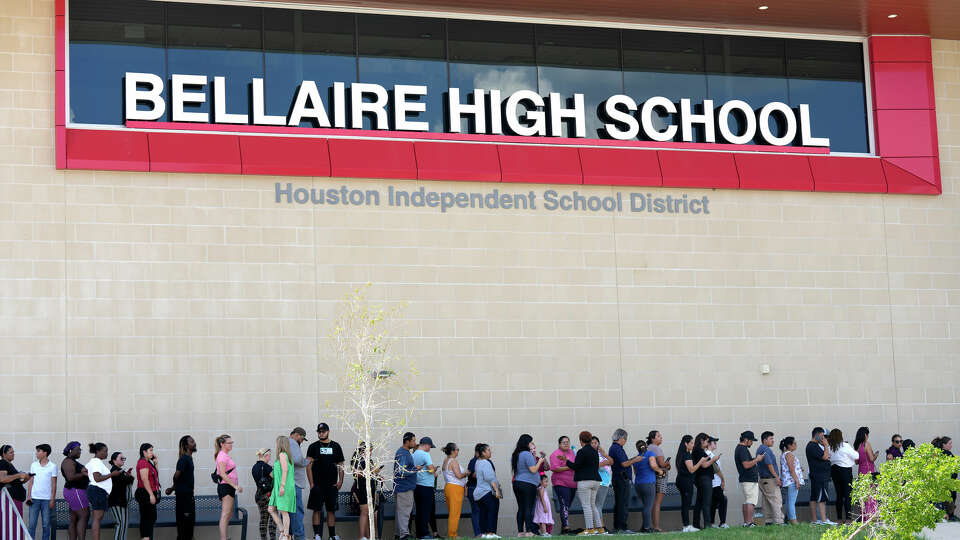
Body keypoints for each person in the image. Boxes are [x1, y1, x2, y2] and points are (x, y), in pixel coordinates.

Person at [306, 423, 344, 540]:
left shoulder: (336, 446)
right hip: (317, 485)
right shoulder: (313, 447)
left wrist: (340, 481)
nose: (321, 433)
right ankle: (317, 535)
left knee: (331, 510)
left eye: (323, 431)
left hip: (332, 485)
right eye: (319, 431)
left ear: (328, 431)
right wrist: (311, 484)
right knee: (316, 510)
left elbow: (341, 465)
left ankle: (332, 535)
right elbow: (308, 466)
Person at [563, 431, 602, 536]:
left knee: (586, 506)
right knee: (593, 505)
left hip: (585, 481)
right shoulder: (594, 451)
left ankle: (589, 529)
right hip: (596, 480)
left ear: (581, 440)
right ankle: (599, 528)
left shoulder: (582, 451)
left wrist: (566, 461)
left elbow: (575, 466)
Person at [511, 434, 546, 537]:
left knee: (521, 508)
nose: (531, 444)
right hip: (528, 484)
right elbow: (533, 469)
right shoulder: (526, 454)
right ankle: (529, 531)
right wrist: (540, 461)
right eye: (530, 442)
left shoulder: (516, 454)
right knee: (528, 507)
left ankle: (520, 532)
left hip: (517, 483)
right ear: (526, 443)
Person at [87, 442, 123, 540]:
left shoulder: (93, 461)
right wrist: (112, 474)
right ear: (98, 451)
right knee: (97, 519)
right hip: (98, 491)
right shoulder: (96, 462)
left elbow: (84, 470)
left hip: (96, 491)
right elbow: (97, 478)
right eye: (105, 451)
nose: (107, 454)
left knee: (96, 519)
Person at [608, 429, 641, 534]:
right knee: (623, 504)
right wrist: (635, 460)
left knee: (619, 503)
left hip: (618, 479)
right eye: (625, 439)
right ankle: (622, 527)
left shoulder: (614, 448)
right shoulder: (617, 448)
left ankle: (617, 527)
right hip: (621, 479)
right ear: (621, 438)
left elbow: (624, 462)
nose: (625, 441)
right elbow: (624, 464)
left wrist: (634, 458)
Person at [165, 435, 197, 540]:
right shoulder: (184, 459)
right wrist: (174, 487)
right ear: (186, 445)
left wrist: (172, 488)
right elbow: (176, 475)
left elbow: (181, 477)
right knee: (184, 527)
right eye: (192, 441)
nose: (194, 442)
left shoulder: (188, 458)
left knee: (189, 527)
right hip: (184, 499)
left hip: (188, 497)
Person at [27, 444, 58, 540]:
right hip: (34, 499)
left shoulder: (53, 466)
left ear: (45, 453)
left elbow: (54, 484)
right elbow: (31, 481)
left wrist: (52, 499)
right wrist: (29, 496)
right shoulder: (33, 465)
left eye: (38, 451)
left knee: (46, 525)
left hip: (47, 500)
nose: (36, 453)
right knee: (32, 525)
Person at [215, 434, 243, 540]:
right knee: (225, 514)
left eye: (232, 442)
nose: (231, 444)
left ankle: (225, 537)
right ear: (222, 444)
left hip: (229, 487)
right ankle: (223, 538)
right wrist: (235, 486)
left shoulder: (225, 455)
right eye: (229, 443)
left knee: (229, 513)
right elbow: (222, 474)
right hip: (225, 487)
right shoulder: (222, 455)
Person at [734, 431, 764, 528]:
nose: (752, 443)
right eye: (751, 441)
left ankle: (747, 523)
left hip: (746, 479)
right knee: (751, 501)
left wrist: (755, 458)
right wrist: (757, 459)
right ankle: (749, 522)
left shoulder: (741, 449)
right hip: (749, 479)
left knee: (747, 501)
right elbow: (746, 465)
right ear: (746, 440)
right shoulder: (742, 449)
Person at [268, 436, 296, 540]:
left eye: (276, 443)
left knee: (284, 511)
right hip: (278, 487)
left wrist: (282, 486)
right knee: (271, 509)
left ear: (280, 444)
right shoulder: (285, 456)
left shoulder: (282, 455)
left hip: (283, 487)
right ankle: (283, 530)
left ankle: (286, 535)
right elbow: (276, 473)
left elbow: (285, 471)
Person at [352, 442, 382, 540]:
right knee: (364, 512)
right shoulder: (358, 460)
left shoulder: (370, 460)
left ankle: (369, 536)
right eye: (370, 450)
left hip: (370, 488)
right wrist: (370, 472)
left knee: (371, 513)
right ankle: (361, 536)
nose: (371, 452)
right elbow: (356, 473)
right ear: (363, 450)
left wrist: (377, 475)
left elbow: (372, 473)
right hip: (362, 488)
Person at [61, 441, 90, 540]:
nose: (80, 452)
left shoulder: (73, 461)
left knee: (74, 519)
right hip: (75, 491)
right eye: (78, 450)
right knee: (84, 515)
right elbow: (70, 477)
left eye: (80, 449)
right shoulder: (68, 461)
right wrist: (84, 473)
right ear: (70, 450)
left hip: (76, 491)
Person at [827, 428, 857, 524]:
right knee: (848, 495)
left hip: (834, 470)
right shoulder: (845, 445)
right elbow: (856, 456)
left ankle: (839, 519)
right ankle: (848, 519)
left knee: (839, 495)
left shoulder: (829, 447)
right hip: (845, 471)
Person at [548, 436, 577, 534]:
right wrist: (569, 467)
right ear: (559, 444)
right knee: (564, 504)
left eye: (567, 442)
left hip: (573, 484)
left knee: (567, 506)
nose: (566, 444)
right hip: (561, 483)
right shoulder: (555, 454)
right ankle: (566, 527)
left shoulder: (572, 453)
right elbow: (555, 468)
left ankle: (564, 529)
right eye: (564, 442)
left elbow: (576, 465)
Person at [691, 433, 720, 531]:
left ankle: (696, 525)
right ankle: (707, 525)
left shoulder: (698, 451)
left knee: (699, 502)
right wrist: (714, 459)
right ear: (702, 441)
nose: (708, 443)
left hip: (701, 479)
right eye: (707, 441)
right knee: (707, 502)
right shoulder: (699, 451)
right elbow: (704, 465)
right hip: (704, 479)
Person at [805, 427, 834, 525]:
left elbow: (824, 456)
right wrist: (826, 445)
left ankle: (814, 520)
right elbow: (825, 457)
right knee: (822, 499)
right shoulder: (813, 446)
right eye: (822, 436)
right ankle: (824, 520)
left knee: (814, 498)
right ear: (816, 435)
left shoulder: (814, 445)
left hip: (816, 475)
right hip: (820, 476)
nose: (823, 438)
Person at [473, 444, 501, 539]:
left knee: (483, 514)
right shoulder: (486, 462)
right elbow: (490, 478)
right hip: (487, 492)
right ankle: (491, 533)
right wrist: (497, 491)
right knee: (492, 513)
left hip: (479, 494)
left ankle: (484, 534)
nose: (490, 452)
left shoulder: (478, 462)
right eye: (488, 450)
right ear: (483, 453)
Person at [394, 432, 419, 540]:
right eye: (413, 440)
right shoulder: (403, 453)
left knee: (401, 512)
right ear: (407, 441)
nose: (415, 443)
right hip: (404, 488)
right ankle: (404, 535)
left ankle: (398, 534)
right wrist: (415, 469)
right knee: (405, 512)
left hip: (403, 487)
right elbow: (401, 472)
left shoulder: (404, 452)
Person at [0, 445, 30, 534]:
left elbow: (15, 483)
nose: (13, 454)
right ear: (4, 454)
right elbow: (2, 479)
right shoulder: (2, 463)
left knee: (16, 523)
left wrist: (26, 478)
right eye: (11, 452)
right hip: (10, 499)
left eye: (13, 452)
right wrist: (18, 475)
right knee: (11, 523)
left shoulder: (9, 464)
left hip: (15, 498)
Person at [412, 437, 438, 539]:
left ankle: (419, 534)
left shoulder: (413, 454)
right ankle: (424, 534)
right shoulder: (425, 454)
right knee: (426, 511)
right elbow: (431, 469)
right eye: (430, 446)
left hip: (417, 486)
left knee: (419, 510)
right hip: (426, 486)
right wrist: (434, 471)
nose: (430, 448)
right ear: (426, 444)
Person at [646, 431, 671, 533]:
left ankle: (652, 525)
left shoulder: (648, 448)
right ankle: (656, 526)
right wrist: (667, 464)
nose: (661, 437)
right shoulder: (656, 448)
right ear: (652, 439)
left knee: (652, 502)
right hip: (661, 477)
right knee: (657, 502)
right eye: (658, 436)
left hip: (652, 477)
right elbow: (661, 464)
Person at [442, 443, 469, 539]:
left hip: (448, 487)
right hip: (455, 488)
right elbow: (459, 476)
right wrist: (466, 473)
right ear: (453, 451)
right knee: (455, 513)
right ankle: (452, 535)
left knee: (452, 512)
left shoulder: (446, 460)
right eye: (457, 449)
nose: (458, 451)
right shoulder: (453, 461)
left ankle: (452, 534)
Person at [756, 431, 783, 526]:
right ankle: (779, 522)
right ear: (764, 440)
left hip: (764, 480)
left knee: (767, 502)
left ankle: (769, 521)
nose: (773, 440)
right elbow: (769, 464)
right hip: (770, 479)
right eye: (771, 439)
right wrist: (776, 477)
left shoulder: (761, 449)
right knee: (776, 500)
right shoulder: (765, 449)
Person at [135, 443, 161, 540]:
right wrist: (151, 495)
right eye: (150, 450)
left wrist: (155, 463)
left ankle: (148, 537)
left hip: (150, 492)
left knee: (151, 518)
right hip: (145, 494)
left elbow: (155, 475)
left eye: (152, 450)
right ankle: (145, 538)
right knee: (147, 519)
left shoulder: (148, 462)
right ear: (144, 452)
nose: (152, 452)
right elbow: (144, 479)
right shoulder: (143, 462)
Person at [632, 439, 658, 533]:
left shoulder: (636, 458)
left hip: (638, 484)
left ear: (637, 448)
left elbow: (635, 472)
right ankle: (647, 527)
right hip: (649, 483)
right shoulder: (650, 453)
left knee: (645, 506)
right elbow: (653, 466)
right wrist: (660, 471)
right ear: (646, 446)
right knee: (648, 506)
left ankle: (644, 526)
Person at [107, 451, 134, 540]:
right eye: (121, 458)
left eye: (124, 458)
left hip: (121, 502)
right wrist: (128, 477)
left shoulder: (119, 471)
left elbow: (125, 482)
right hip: (118, 503)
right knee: (121, 524)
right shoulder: (115, 471)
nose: (123, 460)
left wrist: (128, 476)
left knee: (123, 525)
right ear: (114, 460)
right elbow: (123, 483)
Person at [854, 427, 879, 521]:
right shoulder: (866, 444)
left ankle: (864, 516)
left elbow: (856, 461)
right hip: (869, 472)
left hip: (861, 472)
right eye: (867, 434)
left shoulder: (856, 446)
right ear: (865, 435)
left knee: (863, 495)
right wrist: (876, 454)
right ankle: (871, 516)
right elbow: (872, 459)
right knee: (871, 494)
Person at [589, 436, 613, 534]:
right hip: (599, 482)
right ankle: (600, 527)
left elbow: (611, 461)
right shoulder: (590, 454)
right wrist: (604, 463)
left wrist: (605, 455)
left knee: (598, 505)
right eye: (592, 443)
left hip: (605, 482)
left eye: (596, 442)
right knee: (597, 505)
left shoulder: (601, 454)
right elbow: (595, 466)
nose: (594, 444)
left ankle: (600, 526)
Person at [289, 428, 309, 540]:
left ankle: (290, 536)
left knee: (290, 513)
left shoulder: (286, 443)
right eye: (302, 438)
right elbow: (297, 459)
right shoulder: (292, 443)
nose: (301, 441)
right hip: (295, 484)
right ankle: (300, 537)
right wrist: (307, 461)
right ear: (296, 435)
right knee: (297, 513)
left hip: (289, 484)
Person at [253, 448, 277, 540]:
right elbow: (275, 478)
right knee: (273, 517)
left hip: (259, 495)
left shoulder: (254, 467)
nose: (270, 458)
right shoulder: (266, 467)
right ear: (266, 455)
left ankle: (263, 538)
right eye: (270, 456)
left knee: (263, 519)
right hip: (268, 495)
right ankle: (272, 538)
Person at [779, 437, 804, 525]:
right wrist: (797, 481)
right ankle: (793, 520)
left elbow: (791, 468)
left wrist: (799, 469)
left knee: (789, 502)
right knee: (791, 502)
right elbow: (791, 469)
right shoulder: (789, 454)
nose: (796, 445)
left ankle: (789, 519)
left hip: (788, 481)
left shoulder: (785, 454)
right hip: (791, 481)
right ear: (789, 445)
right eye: (794, 443)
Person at [674, 435, 696, 532]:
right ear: (686, 444)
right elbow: (691, 470)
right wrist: (700, 462)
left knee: (685, 503)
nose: (693, 445)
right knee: (686, 503)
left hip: (682, 481)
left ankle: (686, 525)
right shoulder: (686, 454)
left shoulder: (682, 454)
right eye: (691, 443)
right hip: (685, 482)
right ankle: (686, 526)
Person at [706, 437, 728, 529]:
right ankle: (722, 523)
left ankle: (712, 523)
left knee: (714, 503)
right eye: (714, 442)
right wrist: (723, 480)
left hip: (716, 483)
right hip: (714, 483)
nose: (716, 444)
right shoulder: (708, 454)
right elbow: (716, 470)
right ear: (709, 444)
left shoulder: (712, 454)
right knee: (722, 501)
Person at [933, 437, 957, 521]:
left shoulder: (940, 454)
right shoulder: (946, 454)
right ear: (943, 445)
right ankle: (948, 516)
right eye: (949, 443)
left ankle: (945, 515)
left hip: (944, 482)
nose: (951, 445)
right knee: (949, 500)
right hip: (947, 483)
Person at [465, 447, 484, 537]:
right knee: (476, 511)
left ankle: (482, 532)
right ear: (477, 452)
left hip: (480, 489)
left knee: (481, 511)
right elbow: (473, 475)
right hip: (473, 488)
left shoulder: (483, 461)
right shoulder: (474, 461)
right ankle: (478, 533)